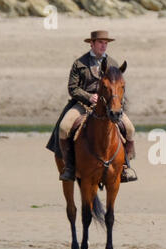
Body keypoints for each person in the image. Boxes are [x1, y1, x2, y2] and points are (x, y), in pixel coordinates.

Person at [46, 30, 137, 182]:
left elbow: (118, 87)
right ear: (92, 43)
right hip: (83, 104)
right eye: (100, 42)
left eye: (106, 43)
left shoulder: (114, 64)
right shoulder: (79, 63)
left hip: (108, 106)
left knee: (130, 129)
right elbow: (72, 88)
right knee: (63, 127)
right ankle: (69, 167)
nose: (103, 46)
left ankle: (125, 167)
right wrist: (89, 97)